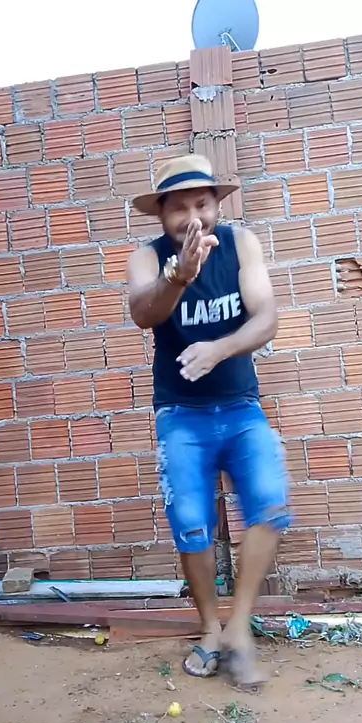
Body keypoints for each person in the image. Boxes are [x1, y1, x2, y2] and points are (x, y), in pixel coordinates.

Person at [126, 154, 291, 689]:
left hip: (241, 407)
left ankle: (239, 627)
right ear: (161, 214)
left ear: (218, 204)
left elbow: (266, 318)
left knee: (270, 503)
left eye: (202, 204)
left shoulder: (242, 244)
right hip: (180, 415)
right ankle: (210, 629)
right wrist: (179, 276)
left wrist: (218, 349)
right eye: (179, 208)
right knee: (191, 523)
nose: (193, 217)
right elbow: (143, 313)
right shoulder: (147, 258)